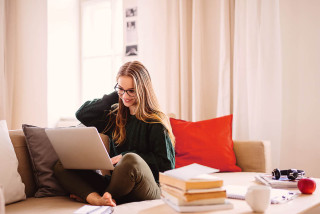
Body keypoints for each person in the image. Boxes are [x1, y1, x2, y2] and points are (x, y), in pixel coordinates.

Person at [54, 61, 175, 206]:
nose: (125, 96)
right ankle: (98, 199)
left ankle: (104, 196)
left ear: (142, 90)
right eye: (121, 89)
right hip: (117, 184)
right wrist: (116, 95)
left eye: (131, 90)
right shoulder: (115, 116)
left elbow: (166, 165)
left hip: (148, 187)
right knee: (62, 165)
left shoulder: (155, 121)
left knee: (130, 160)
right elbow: (82, 114)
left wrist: (124, 157)